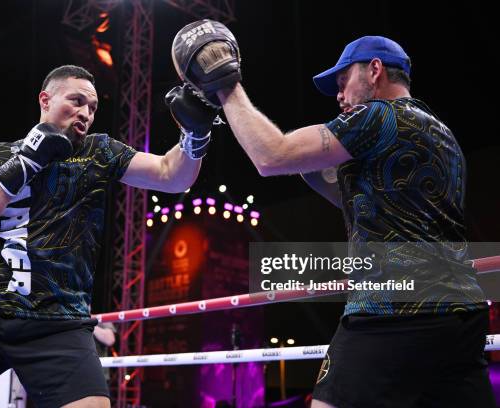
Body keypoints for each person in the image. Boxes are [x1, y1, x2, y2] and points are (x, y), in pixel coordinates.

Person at [171, 21, 495, 408]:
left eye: (344, 81)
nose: (339, 95)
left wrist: (224, 86)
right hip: (462, 314)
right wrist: (292, 146)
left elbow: (272, 156)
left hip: (394, 307)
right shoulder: (441, 135)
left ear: (374, 70)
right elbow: (343, 192)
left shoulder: (379, 116)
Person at [0, 65, 218, 408]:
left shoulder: (99, 152)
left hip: (59, 322)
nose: (85, 113)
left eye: (92, 108)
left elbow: (171, 175)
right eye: (76, 101)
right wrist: (27, 162)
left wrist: (195, 134)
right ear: (45, 100)